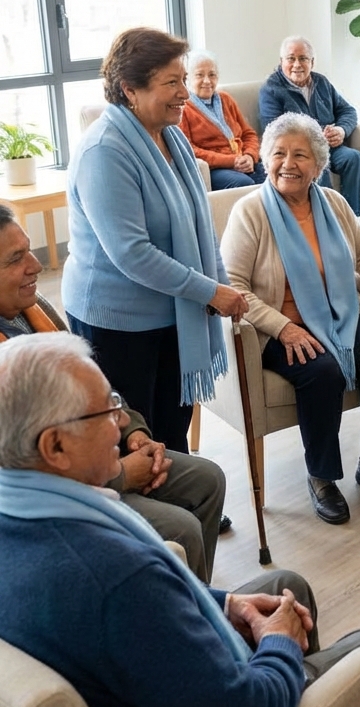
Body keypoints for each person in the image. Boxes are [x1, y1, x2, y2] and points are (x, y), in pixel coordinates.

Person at [0, 333, 360, 707]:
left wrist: (229, 603)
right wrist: (279, 645)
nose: (121, 421)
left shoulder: (23, 513)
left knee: (288, 587)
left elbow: (153, 608)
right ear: (55, 446)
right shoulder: (115, 576)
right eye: (106, 410)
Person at [221, 113, 360, 524]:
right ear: (265, 160)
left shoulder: (335, 204)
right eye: (279, 154)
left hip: (339, 315)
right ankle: (322, 476)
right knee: (320, 372)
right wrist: (282, 327)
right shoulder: (250, 212)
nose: (288, 163)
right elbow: (233, 286)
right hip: (276, 328)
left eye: (300, 155)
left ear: (319, 166)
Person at [0, 203, 225, 581]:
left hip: (97, 448)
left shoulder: (33, 308)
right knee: (180, 529)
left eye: (29, 250)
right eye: (16, 259)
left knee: (207, 480)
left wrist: (134, 433)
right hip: (56, 494)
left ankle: (187, 597)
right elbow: (19, 479)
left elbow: (95, 383)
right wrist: (120, 475)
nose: (36, 266)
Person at [61, 27, 248, 455]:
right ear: (130, 89)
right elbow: (133, 253)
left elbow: (200, 223)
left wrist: (222, 284)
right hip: (117, 320)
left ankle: (185, 499)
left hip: (170, 311)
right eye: (172, 82)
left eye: (184, 80)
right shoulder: (104, 152)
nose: (186, 92)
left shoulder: (173, 138)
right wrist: (210, 291)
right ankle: (159, 517)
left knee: (173, 419)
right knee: (134, 433)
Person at [259, 35, 360, 214]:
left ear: (312, 62)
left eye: (303, 58)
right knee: (315, 165)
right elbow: (274, 130)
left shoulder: (321, 82)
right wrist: (312, 137)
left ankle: (350, 218)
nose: (297, 64)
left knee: (354, 158)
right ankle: (324, 219)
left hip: (328, 147)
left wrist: (341, 130)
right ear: (281, 61)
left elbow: (348, 111)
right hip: (299, 153)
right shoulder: (271, 89)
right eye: (291, 58)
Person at [181, 49, 266, 189]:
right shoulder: (184, 108)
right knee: (244, 184)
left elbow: (248, 134)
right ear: (188, 79)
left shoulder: (226, 99)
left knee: (276, 174)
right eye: (199, 75)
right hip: (215, 168)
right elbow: (189, 149)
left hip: (243, 160)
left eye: (212, 75)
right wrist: (231, 161)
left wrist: (250, 156)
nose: (207, 81)